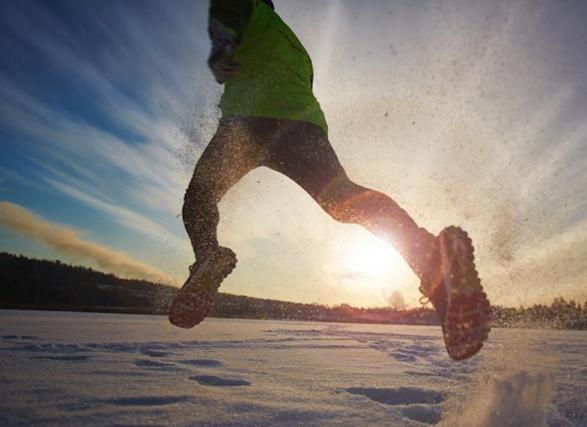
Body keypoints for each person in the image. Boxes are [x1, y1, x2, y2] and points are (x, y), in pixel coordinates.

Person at [169, 0, 492, 361]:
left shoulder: (242, 7)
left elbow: (226, 16)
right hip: (301, 127)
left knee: (199, 197)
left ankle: (208, 256)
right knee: (345, 202)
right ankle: (436, 265)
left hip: (247, 125)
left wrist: (222, 48)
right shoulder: (292, 43)